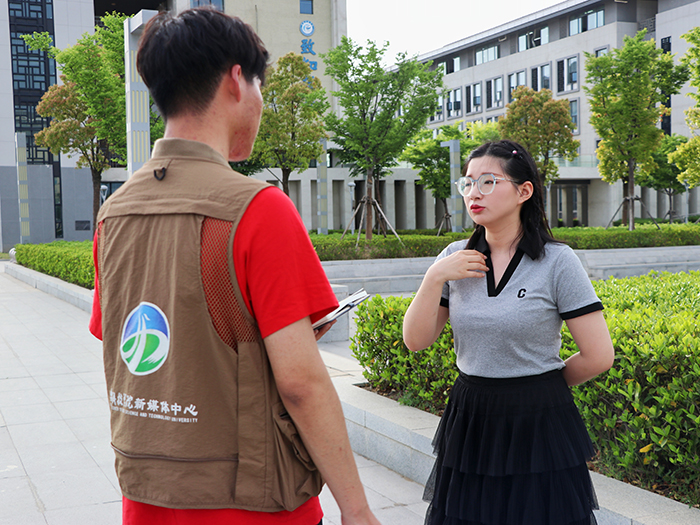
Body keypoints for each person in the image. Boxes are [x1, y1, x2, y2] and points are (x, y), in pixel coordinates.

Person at [88, 8, 380, 525]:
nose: (260, 101)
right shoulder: (258, 208)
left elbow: (132, 339)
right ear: (236, 79)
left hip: (147, 496)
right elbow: (301, 384)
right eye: (260, 85)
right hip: (250, 504)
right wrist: (356, 510)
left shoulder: (113, 213)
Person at [403, 140, 614, 525]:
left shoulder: (557, 262)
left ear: (523, 191)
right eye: (468, 183)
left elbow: (598, 355)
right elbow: (416, 341)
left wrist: (540, 384)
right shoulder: (453, 259)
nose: (473, 193)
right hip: (471, 416)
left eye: (488, 182)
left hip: (538, 419)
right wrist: (433, 278)